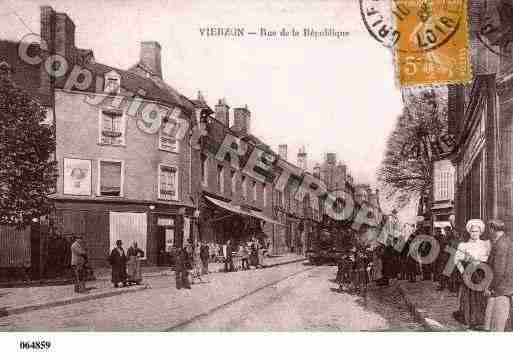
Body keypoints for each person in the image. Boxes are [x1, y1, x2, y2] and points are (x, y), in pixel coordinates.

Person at [453, 219, 491, 329]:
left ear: (480, 232)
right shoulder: (463, 245)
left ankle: (480, 319)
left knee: (480, 297)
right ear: (469, 232)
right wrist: (463, 272)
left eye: (477, 231)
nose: (475, 233)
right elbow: (456, 260)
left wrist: (480, 260)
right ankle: (470, 319)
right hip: (469, 274)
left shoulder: (485, 244)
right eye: (473, 231)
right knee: (468, 296)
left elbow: (489, 258)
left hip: (481, 273)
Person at [484, 219, 513, 331]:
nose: (489, 231)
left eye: (489, 229)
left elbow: (499, 270)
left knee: (496, 325)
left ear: (493, 229)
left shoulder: (500, 245)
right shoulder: (507, 241)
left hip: (499, 289)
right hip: (505, 287)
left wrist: (490, 288)